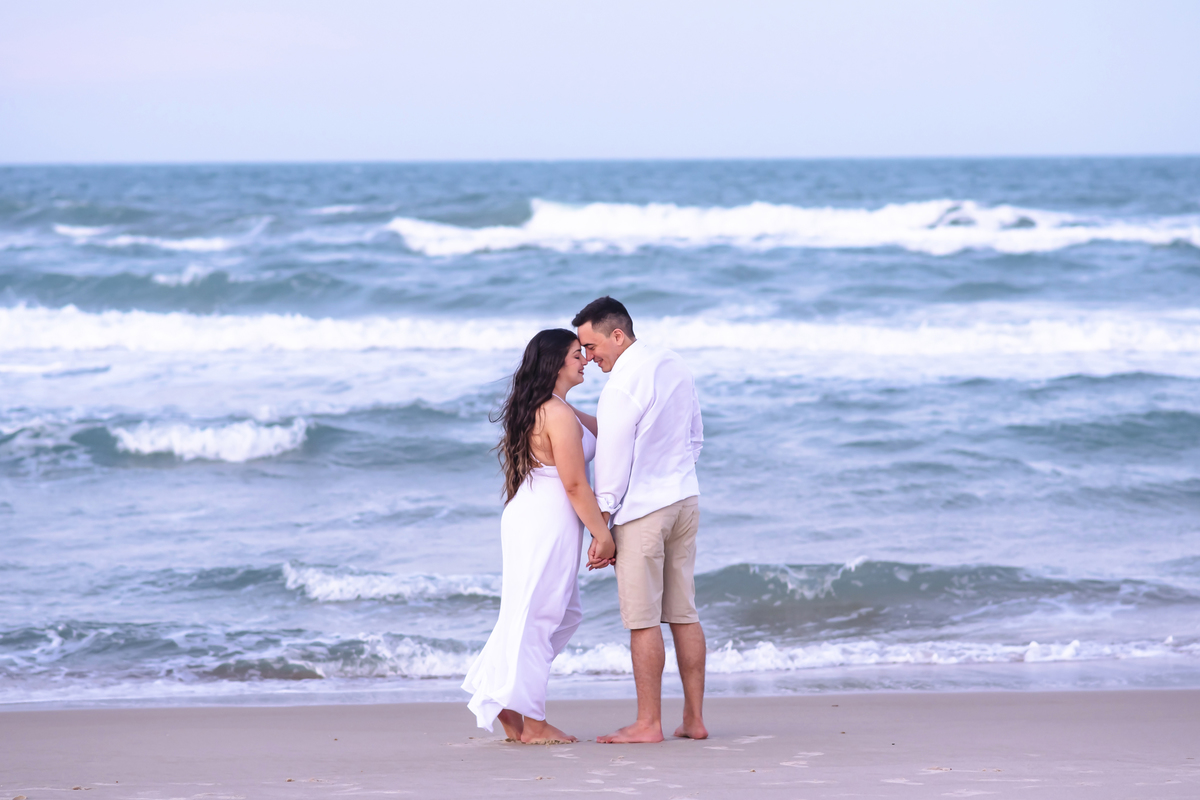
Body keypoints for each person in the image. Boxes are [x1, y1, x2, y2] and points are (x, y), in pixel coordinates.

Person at [462, 329, 616, 744]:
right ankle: (533, 721)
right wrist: (603, 536)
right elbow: (574, 485)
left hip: (532, 515)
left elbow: (609, 432)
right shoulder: (557, 414)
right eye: (575, 354)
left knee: (547, 614)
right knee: (541, 615)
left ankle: (508, 705)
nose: (583, 359)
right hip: (545, 518)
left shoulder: (555, 408)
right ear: (554, 364)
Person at [573, 297, 708, 744]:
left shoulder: (620, 387)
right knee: (684, 614)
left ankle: (648, 723)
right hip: (684, 499)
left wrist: (603, 525)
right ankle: (693, 720)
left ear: (617, 334)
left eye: (592, 347)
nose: (590, 359)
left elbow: (611, 463)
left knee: (643, 620)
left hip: (643, 513)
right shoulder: (673, 363)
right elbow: (694, 437)